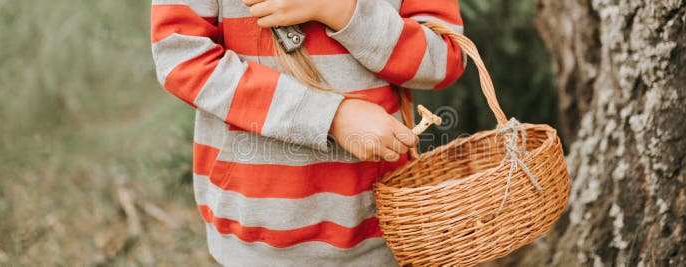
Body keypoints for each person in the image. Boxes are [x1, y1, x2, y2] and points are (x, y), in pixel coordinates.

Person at [150, 0, 465, 265]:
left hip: (379, 229)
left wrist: (341, 10)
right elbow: (182, 59)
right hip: (255, 236)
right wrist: (330, 117)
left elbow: (445, 58)